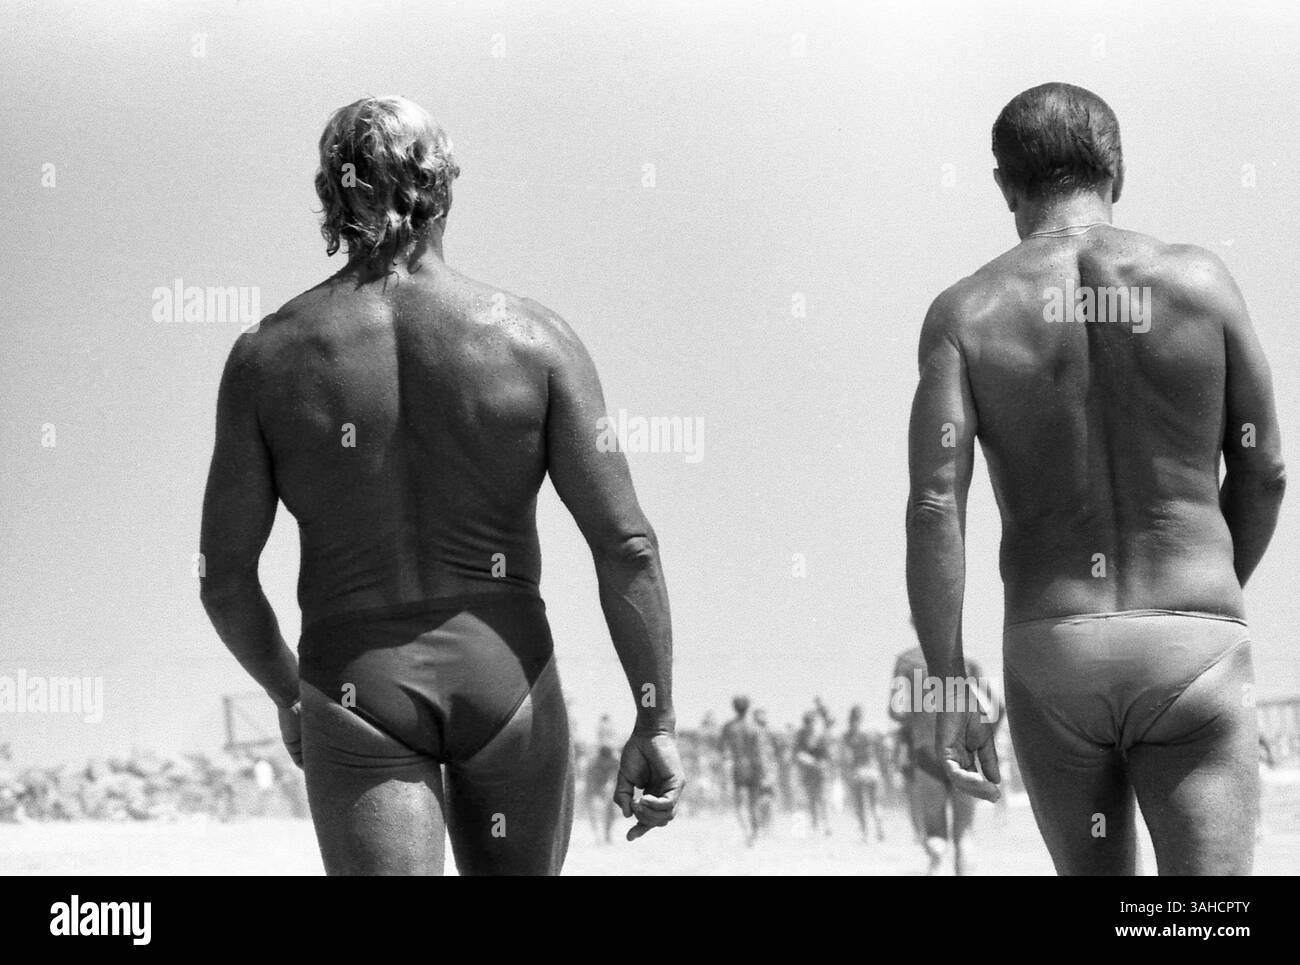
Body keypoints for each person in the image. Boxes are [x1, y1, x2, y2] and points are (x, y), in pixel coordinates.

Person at [199, 95, 684, 875]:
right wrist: (655, 718)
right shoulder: (534, 338)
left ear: (332, 191)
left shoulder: (267, 359)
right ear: (444, 184)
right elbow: (626, 543)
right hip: (507, 670)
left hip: (356, 681)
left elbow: (223, 580)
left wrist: (291, 693)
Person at [905, 82, 1285, 875]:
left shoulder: (966, 313)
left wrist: (947, 681)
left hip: (1054, 647)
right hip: (1195, 641)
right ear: (1117, 171)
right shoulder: (1201, 283)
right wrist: (1208, 590)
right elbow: (1266, 469)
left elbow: (936, 505)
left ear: (1006, 185)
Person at [889, 644, 994, 874]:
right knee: (964, 833)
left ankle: (936, 862)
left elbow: (894, 711)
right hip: (964, 753)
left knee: (936, 835)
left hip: (927, 754)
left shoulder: (906, 661)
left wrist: (920, 714)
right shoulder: (969, 660)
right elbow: (994, 707)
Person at [719, 695, 765, 845]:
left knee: (739, 804)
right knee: (754, 802)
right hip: (754, 767)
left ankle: (747, 833)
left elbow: (722, 749)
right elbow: (760, 751)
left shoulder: (729, 727)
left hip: (738, 767)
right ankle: (756, 831)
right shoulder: (755, 727)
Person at [842, 706, 885, 843]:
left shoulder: (848, 734)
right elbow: (880, 751)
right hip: (872, 770)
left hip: (857, 770)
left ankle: (865, 833)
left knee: (860, 804)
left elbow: (847, 757)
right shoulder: (871, 732)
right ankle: (879, 830)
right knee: (875, 803)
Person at [793, 707, 831, 834]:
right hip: (808, 772)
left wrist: (820, 764)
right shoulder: (801, 735)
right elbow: (797, 754)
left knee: (823, 799)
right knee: (812, 800)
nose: (810, 724)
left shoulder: (821, 735)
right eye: (808, 721)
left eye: (812, 721)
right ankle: (815, 826)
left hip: (820, 771)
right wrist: (808, 761)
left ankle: (827, 826)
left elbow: (827, 755)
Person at [585, 714, 621, 843]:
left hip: (605, 781)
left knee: (610, 811)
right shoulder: (598, 757)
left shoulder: (612, 757)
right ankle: (601, 835)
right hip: (599, 781)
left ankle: (605, 834)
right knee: (600, 809)